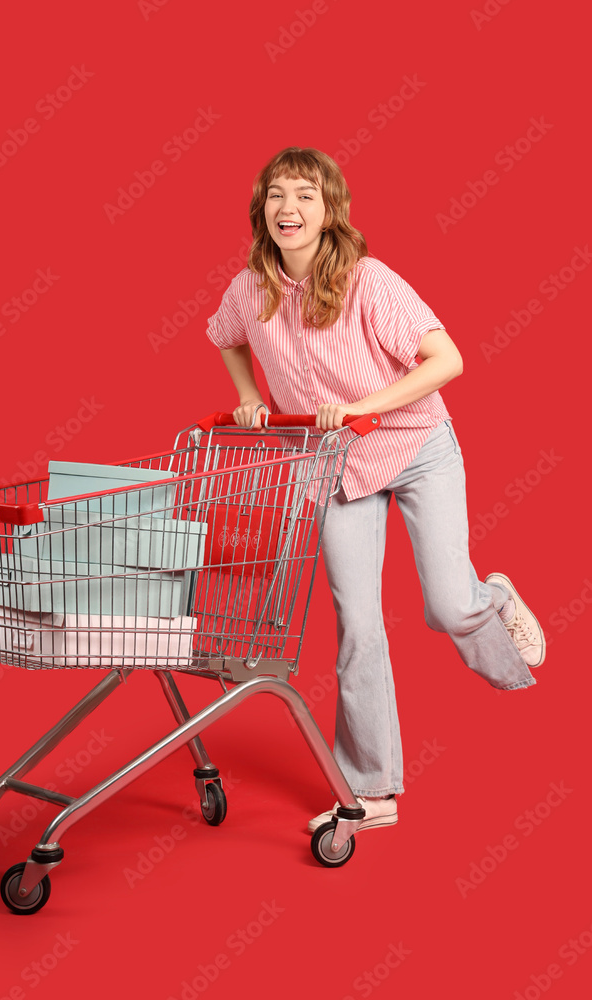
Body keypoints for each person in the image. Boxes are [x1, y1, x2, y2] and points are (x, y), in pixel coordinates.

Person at [205, 146, 545, 834]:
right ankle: (372, 789)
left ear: (329, 210)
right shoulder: (250, 289)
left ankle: (493, 601)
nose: (288, 208)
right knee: (356, 626)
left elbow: (446, 359)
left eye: (304, 194)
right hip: (332, 466)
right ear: (260, 211)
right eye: (276, 195)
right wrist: (247, 397)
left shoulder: (369, 282)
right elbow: (226, 338)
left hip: (414, 448)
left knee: (450, 606)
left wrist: (369, 406)